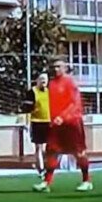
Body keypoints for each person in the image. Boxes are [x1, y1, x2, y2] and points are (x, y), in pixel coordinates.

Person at [33, 58, 92, 193]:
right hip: (56, 124)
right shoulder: (52, 84)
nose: (56, 69)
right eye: (54, 67)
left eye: (58, 66)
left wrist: (63, 116)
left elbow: (75, 103)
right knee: (51, 151)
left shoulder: (70, 82)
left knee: (79, 152)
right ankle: (46, 182)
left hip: (72, 123)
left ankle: (86, 180)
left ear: (65, 68)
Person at [23, 73, 50, 178]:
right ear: (37, 80)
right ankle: (41, 169)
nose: (44, 81)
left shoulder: (49, 92)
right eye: (42, 79)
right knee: (39, 147)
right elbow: (26, 109)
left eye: (45, 79)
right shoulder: (32, 92)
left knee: (48, 147)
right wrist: (26, 122)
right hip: (37, 122)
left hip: (48, 122)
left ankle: (47, 167)